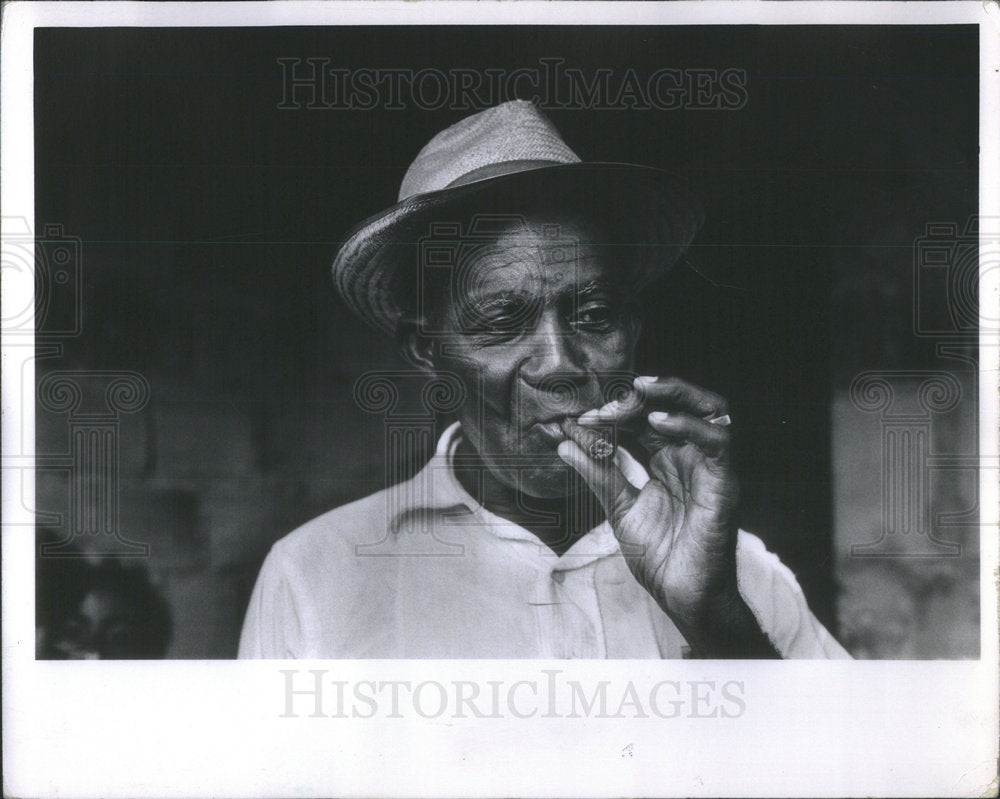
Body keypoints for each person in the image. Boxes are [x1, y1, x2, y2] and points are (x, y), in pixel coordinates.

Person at [239, 100, 848, 659]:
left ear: (631, 329)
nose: (559, 363)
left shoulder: (742, 578)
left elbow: (840, 748)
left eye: (594, 315)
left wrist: (713, 617)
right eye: (502, 322)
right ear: (428, 351)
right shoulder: (314, 577)